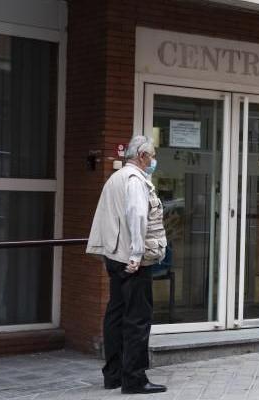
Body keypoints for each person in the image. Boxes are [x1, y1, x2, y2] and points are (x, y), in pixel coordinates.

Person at [86, 135, 168, 394]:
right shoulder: (135, 180)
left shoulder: (116, 178)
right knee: (137, 319)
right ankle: (134, 379)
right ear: (142, 156)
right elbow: (137, 217)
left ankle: (113, 375)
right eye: (152, 155)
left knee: (116, 315)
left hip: (114, 256)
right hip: (132, 261)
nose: (153, 160)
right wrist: (136, 255)